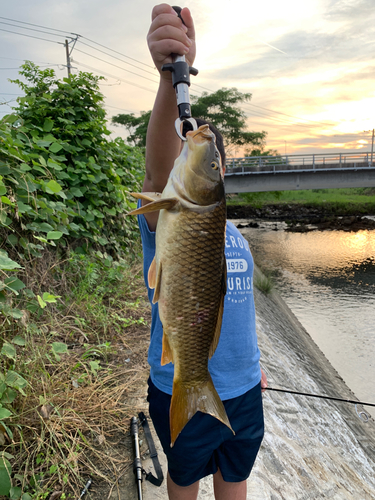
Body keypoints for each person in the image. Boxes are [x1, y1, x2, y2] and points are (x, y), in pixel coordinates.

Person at [137, 5, 267, 499]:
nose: (201, 151)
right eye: (193, 149)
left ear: (222, 176)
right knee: (186, 473)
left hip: (244, 385)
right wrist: (172, 77)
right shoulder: (171, 211)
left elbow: (239, 308)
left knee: (235, 473)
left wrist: (256, 367)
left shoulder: (230, 232)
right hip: (180, 380)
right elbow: (157, 171)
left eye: (211, 158)